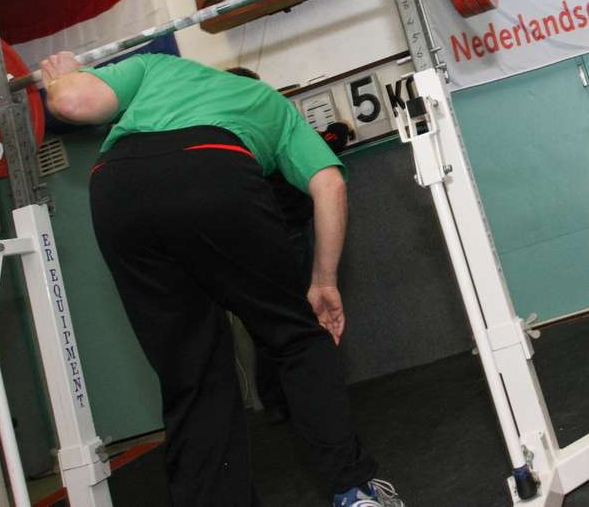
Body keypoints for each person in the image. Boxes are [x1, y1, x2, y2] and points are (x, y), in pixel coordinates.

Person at [41, 52, 403, 507]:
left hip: (119, 189)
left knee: (191, 371)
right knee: (296, 340)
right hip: (214, 171)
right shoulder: (267, 100)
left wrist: (61, 77)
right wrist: (323, 282)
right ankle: (355, 491)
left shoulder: (158, 68)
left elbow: (72, 102)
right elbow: (328, 184)